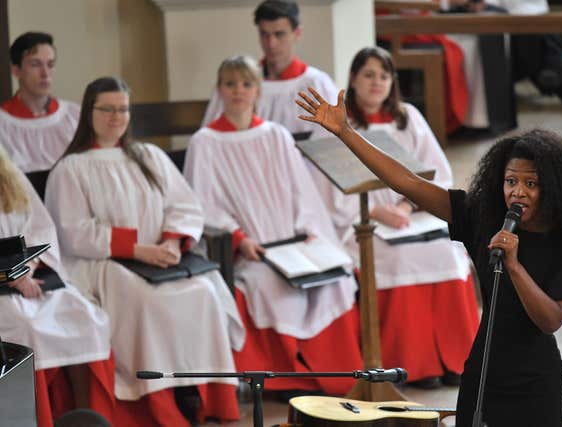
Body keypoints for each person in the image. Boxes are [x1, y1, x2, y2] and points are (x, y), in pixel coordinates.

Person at [296, 88, 562, 426]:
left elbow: (550, 320)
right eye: (510, 181)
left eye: (531, 183)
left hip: (536, 383)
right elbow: (407, 183)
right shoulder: (484, 219)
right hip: (482, 374)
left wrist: (514, 265)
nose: (517, 191)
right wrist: (345, 132)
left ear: (554, 188)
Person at [45, 77, 245, 427]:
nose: (115, 117)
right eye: (106, 109)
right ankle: (162, 405)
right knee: (151, 305)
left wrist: (170, 241)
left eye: (122, 109)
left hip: (163, 259)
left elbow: (185, 205)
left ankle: (206, 398)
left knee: (205, 294)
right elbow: (75, 232)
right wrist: (138, 249)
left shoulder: (150, 156)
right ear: (88, 112)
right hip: (106, 264)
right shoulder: (70, 168)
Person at [185, 56, 362, 396]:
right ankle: (281, 381)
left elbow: (303, 193)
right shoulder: (205, 142)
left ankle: (336, 377)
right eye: (230, 84)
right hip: (253, 251)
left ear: (258, 89)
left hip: (293, 242)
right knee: (267, 286)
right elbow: (203, 205)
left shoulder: (276, 135)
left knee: (335, 279)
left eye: (247, 83)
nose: (239, 91)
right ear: (219, 89)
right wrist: (240, 240)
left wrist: (310, 232)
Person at [308, 47, 479, 388]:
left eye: (384, 76)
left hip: (411, 216)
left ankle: (458, 360)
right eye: (368, 74)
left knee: (448, 250)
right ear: (353, 78)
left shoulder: (409, 118)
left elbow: (438, 173)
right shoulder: (336, 125)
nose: (376, 83)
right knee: (400, 257)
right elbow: (322, 191)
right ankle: (413, 364)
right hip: (361, 225)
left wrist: (406, 206)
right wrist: (375, 210)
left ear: (393, 83)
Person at [0, 146, 114, 427]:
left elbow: (41, 227)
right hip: (5, 289)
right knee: (27, 326)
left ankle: (85, 417)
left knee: (83, 316)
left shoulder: (9, 175)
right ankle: (39, 420)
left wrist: (28, 266)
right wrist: (6, 274)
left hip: (29, 275)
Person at [201, 0, 338, 137]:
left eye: (279, 34)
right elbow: (212, 136)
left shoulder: (317, 84)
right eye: (265, 34)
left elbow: (333, 141)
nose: (271, 44)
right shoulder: (238, 83)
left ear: (297, 33)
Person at [0, 32, 79, 172]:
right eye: (35, 64)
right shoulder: (3, 123)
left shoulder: (75, 116)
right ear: (16, 70)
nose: (45, 74)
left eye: (50, 64)